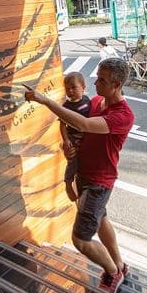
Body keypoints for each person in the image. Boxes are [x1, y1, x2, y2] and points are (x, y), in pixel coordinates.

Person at [25, 58, 134, 293]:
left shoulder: (123, 115)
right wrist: (67, 146)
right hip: (84, 174)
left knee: (81, 239)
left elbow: (83, 124)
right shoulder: (95, 102)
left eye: (102, 80)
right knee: (101, 219)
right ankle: (120, 265)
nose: (95, 82)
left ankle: (112, 272)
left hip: (99, 182)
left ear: (116, 85)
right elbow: (75, 128)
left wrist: (45, 101)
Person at [60, 72, 91, 202]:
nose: (70, 91)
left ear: (83, 88)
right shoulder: (66, 107)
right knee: (72, 161)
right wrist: (66, 140)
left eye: (74, 87)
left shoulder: (87, 101)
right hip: (73, 137)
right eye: (67, 89)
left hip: (86, 137)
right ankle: (68, 183)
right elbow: (62, 125)